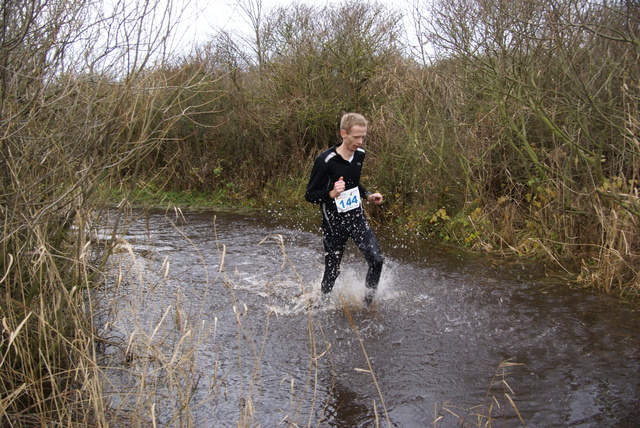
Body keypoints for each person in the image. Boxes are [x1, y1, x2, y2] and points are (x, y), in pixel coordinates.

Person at [305, 113, 384, 306]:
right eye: (356, 137)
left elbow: (353, 183)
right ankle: (321, 304)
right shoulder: (326, 160)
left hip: (356, 217)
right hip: (333, 221)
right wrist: (331, 193)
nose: (360, 141)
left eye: (363, 136)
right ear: (343, 134)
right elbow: (310, 195)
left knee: (376, 260)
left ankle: (367, 304)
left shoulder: (360, 154)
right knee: (333, 269)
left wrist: (368, 195)